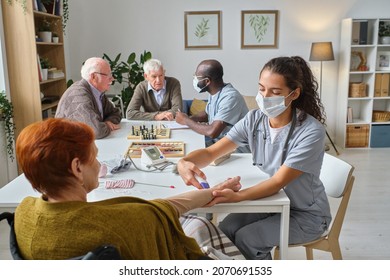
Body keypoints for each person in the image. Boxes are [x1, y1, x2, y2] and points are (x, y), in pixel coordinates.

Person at [14, 118, 244, 260]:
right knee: (201, 226)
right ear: (76, 168)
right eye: (94, 157)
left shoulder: (23, 214)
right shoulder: (123, 224)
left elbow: (157, 209)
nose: (99, 164)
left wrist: (207, 192)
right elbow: (157, 212)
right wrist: (212, 191)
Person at [177, 56, 332, 260]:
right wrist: (184, 162)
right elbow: (211, 152)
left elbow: (278, 181)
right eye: (261, 89)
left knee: (247, 239)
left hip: (306, 214)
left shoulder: (311, 131)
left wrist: (238, 197)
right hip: (274, 203)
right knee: (224, 230)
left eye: (275, 92)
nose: (265, 97)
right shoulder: (254, 119)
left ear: (293, 94)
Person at [175, 59, 249, 150]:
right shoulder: (214, 92)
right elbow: (207, 113)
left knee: (189, 152)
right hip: (220, 142)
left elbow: (212, 132)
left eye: (197, 77)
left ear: (207, 81)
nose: (195, 79)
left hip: (236, 149)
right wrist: (189, 118)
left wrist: (186, 121)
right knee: (185, 145)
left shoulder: (230, 97)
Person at [55, 57, 121, 139]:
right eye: (108, 75)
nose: (112, 78)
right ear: (93, 77)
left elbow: (116, 113)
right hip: (66, 148)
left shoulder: (97, 92)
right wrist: (107, 125)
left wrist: (107, 122)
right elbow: (96, 131)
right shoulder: (78, 95)